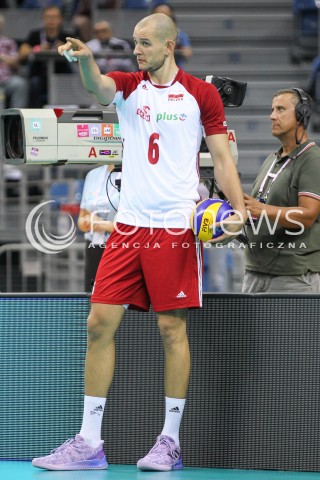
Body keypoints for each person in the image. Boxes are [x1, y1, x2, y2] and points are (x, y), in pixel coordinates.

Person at [32, 12, 246, 472]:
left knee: (171, 331)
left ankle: (169, 441)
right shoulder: (130, 86)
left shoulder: (201, 95)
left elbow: (224, 161)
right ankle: (90, 442)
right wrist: (87, 62)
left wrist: (239, 210)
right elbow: (99, 89)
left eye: (145, 43)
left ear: (170, 46)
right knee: (98, 324)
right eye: (134, 42)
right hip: (128, 227)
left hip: (174, 226)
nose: (137, 50)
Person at [242, 88, 320, 294]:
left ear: (301, 114)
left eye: (280, 109)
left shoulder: (312, 160)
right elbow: (259, 209)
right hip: (255, 271)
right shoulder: (272, 159)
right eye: (272, 109)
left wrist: (261, 210)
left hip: (293, 276)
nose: (272, 116)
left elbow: (308, 215)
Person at [19, 5, 74, 107]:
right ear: (43, 19)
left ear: (60, 19)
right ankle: (35, 115)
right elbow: (22, 53)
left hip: (62, 73)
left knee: (70, 83)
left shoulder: (67, 36)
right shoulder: (35, 34)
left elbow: (82, 51)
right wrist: (37, 49)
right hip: (39, 74)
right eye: (48, 17)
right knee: (34, 84)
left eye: (54, 17)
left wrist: (67, 48)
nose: (51, 20)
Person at [78, 164, 121, 292]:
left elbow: (133, 224)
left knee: (116, 297)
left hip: (120, 246)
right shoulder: (92, 175)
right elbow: (81, 219)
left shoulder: (135, 173)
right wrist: (89, 222)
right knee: (91, 295)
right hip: (93, 247)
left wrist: (100, 224)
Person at [151, 2, 192, 69]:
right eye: (159, 14)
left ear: (171, 15)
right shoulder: (145, 33)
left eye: (165, 14)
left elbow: (187, 52)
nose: (162, 17)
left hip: (174, 70)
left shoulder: (179, 35)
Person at [0, 14, 28, 108]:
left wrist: (4, 58)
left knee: (20, 84)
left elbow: (15, 63)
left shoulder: (9, 43)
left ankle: (16, 118)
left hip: (8, 79)